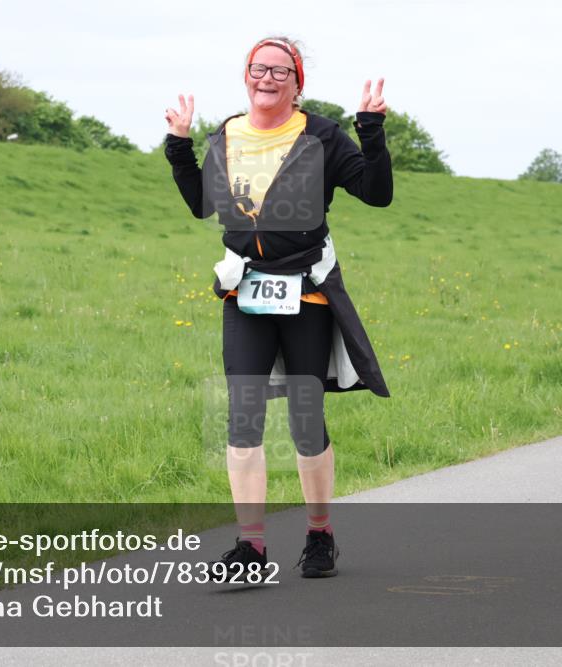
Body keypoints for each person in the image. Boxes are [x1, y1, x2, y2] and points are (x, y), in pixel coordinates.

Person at [164, 36, 392, 579]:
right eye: (257, 69)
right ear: (245, 75)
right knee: (242, 419)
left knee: (305, 422)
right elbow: (203, 205)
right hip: (245, 292)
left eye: (279, 71)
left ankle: (319, 534)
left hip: (305, 293)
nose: (266, 78)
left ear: (297, 82)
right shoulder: (227, 134)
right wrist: (178, 146)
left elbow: (376, 192)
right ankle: (252, 548)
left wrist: (371, 130)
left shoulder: (322, 136)